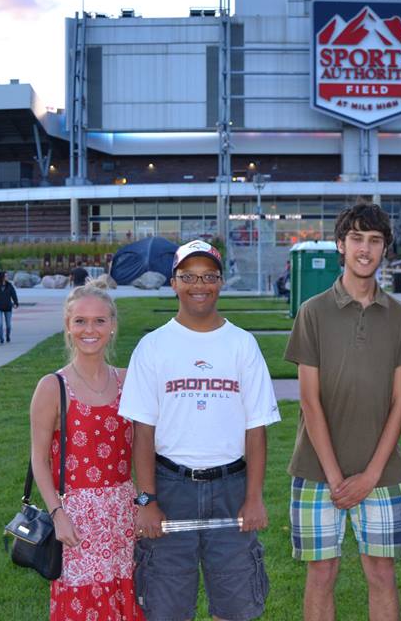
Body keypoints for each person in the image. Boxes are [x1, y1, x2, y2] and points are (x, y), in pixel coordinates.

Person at [119, 239, 281, 621]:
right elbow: (142, 432)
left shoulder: (242, 344)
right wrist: (146, 501)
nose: (199, 285)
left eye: (209, 276)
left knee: (236, 606)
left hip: (231, 487)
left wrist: (254, 497)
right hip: (170, 485)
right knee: (167, 607)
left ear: (220, 282)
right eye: (188, 276)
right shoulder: (153, 346)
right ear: (173, 283)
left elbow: (256, 429)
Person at [284, 203, 401, 621]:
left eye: (375, 241)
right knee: (321, 574)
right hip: (316, 469)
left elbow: (400, 402)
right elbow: (309, 400)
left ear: (385, 249)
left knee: (382, 574)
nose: (365, 249)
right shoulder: (312, 312)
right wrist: (336, 478)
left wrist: (371, 475)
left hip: (382, 472)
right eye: (356, 238)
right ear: (340, 244)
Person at [28, 281, 143, 620]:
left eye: (99, 321)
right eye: (80, 321)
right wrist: (57, 514)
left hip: (123, 513)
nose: (89, 330)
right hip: (76, 519)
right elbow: (39, 458)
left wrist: (145, 503)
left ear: (113, 325)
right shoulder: (53, 387)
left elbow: (143, 448)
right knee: (84, 605)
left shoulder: (128, 381)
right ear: (68, 325)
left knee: (127, 600)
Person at [0, 271, 19, 344]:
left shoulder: (9, 285)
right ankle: (1, 338)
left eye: (7, 276)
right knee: (0, 324)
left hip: (8, 307)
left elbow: (13, 294)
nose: (7, 277)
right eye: (6, 276)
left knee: (8, 325)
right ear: (2, 277)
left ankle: (7, 336)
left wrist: (16, 303)